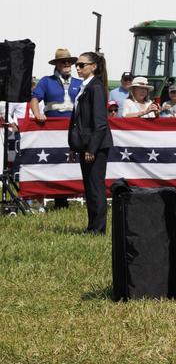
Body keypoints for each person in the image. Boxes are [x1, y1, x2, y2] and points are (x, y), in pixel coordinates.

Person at [69, 51, 112, 235]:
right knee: (89, 187)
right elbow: (79, 119)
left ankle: (98, 228)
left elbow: (100, 123)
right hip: (85, 145)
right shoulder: (84, 86)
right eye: (76, 65)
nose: (77, 68)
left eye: (81, 65)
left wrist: (91, 148)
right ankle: (92, 225)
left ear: (93, 66)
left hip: (96, 146)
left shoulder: (95, 87)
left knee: (95, 187)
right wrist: (74, 145)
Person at [29, 48, 82, 123]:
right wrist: (37, 114)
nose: (67, 63)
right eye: (63, 61)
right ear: (56, 64)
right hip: (52, 128)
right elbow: (34, 99)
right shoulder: (46, 81)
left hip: (75, 127)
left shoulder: (80, 83)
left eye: (69, 61)